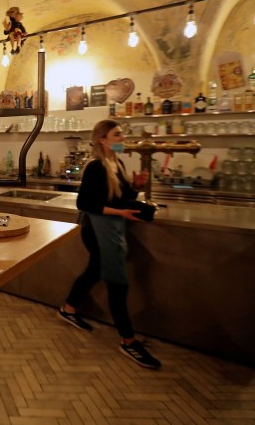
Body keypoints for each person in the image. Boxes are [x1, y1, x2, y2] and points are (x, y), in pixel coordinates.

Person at [58, 119, 161, 369]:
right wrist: (122, 214)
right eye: (118, 135)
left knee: (95, 270)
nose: (122, 138)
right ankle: (128, 340)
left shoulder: (118, 162)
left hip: (109, 227)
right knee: (118, 282)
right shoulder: (95, 167)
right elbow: (85, 204)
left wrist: (135, 187)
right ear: (103, 140)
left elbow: (122, 197)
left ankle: (68, 309)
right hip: (96, 230)